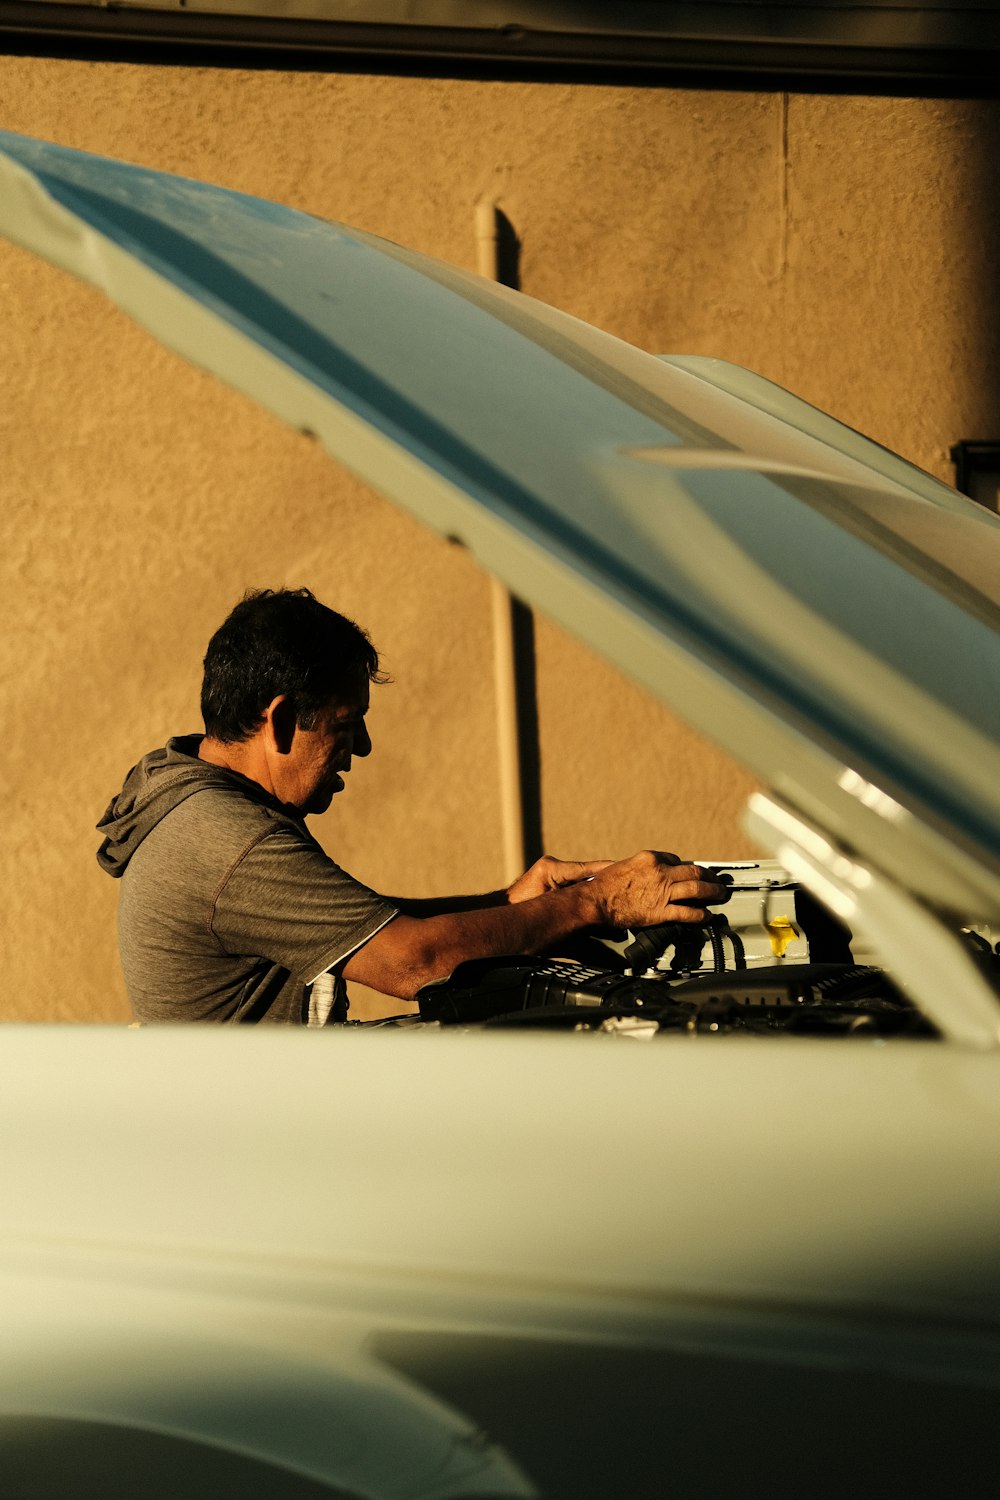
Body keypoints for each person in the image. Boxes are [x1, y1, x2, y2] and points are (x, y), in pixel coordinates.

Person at [97, 588, 726, 1025]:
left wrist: (510, 905)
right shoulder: (229, 843)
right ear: (284, 721)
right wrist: (597, 902)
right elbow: (415, 961)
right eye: (346, 726)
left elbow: (369, 926)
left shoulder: (202, 809)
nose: (362, 748)